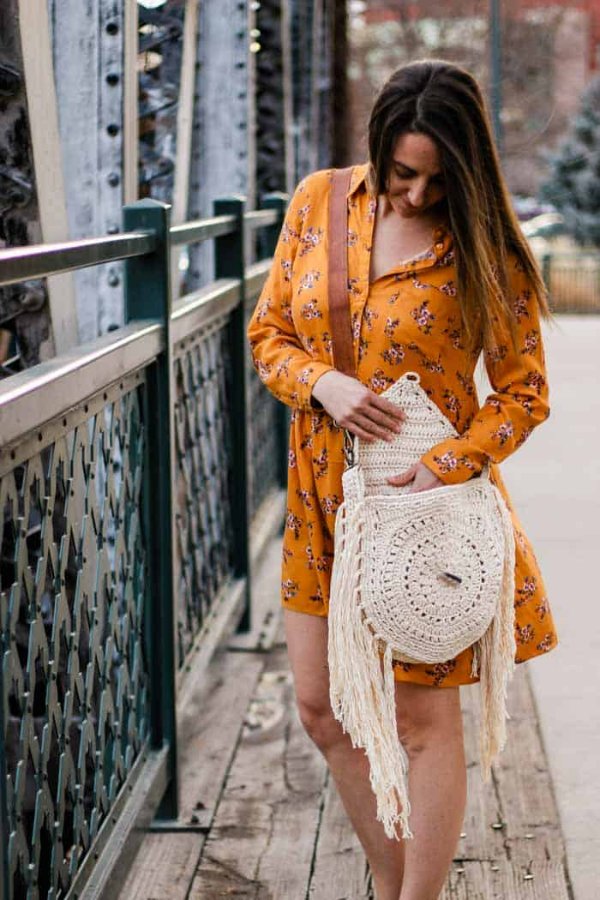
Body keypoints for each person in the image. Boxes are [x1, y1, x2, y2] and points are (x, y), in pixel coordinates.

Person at [246, 59, 559, 900]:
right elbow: (269, 333)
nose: (417, 195)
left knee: (423, 722)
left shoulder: (485, 246)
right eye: (402, 174)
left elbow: (525, 393)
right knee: (319, 706)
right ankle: (398, 888)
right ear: (377, 147)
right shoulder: (319, 202)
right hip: (320, 495)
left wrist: (446, 464)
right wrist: (323, 382)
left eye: (437, 179)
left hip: (425, 509)